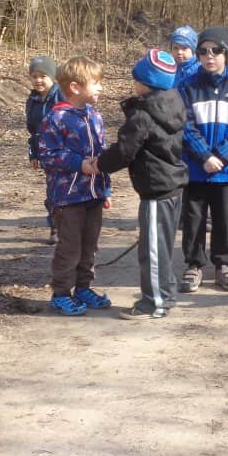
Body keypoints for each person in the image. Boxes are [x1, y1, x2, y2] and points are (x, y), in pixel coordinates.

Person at [92, 50, 187, 319]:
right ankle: (164, 295)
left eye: (137, 79)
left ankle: (155, 302)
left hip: (157, 190)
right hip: (172, 186)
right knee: (161, 248)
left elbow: (124, 150)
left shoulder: (143, 114)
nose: (134, 83)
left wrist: (98, 164)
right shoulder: (173, 102)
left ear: (146, 82)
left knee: (153, 251)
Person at [179, 26, 228, 293]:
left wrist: (220, 157)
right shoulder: (187, 86)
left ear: (226, 53)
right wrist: (204, 156)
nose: (209, 56)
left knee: (224, 220)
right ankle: (193, 265)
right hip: (196, 168)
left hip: (226, 169)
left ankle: (225, 265)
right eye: (203, 51)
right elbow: (185, 126)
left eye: (216, 51)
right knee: (194, 219)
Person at [39, 56, 113, 315]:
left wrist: (106, 188)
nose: (100, 87)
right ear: (75, 87)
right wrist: (79, 164)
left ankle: (83, 288)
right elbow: (48, 155)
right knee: (70, 248)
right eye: (96, 83)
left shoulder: (94, 115)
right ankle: (61, 293)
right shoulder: (56, 117)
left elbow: (102, 154)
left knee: (90, 246)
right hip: (68, 197)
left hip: (94, 194)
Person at [25, 55, 62, 244]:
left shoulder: (61, 96)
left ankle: (68, 226)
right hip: (46, 154)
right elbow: (33, 130)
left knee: (65, 190)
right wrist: (34, 153)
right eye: (34, 76)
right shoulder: (32, 100)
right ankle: (55, 226)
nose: (38, 80)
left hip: (64, 151)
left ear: (53, 77)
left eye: (43, 76)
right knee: (52, 191)